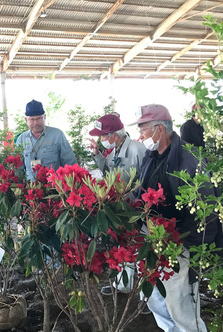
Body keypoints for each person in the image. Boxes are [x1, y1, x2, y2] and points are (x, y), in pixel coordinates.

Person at [132, 104, 223, 332]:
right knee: (155, 297)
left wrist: (191, 247)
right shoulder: (151, 155)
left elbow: (206, 208)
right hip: (152, 238)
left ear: (159, 130)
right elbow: (142, 190)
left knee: (181, 305)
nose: (140, 136)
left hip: (179, 243)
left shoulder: (189, 159)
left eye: (143, 130)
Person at [88, 113, 146, 298]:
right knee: (123, 246)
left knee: (141, 248)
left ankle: (146, 296)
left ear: (114, 135)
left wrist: (139, 202)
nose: (102, 139)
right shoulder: (114, 151)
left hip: (138, 209)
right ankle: (124, 285)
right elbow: (108, 172)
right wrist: (97, 154)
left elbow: (147, 178)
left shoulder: (137, 149)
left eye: (103, 136)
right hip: (121, 209)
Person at [16, 99, 77, 180]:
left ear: (44, 117)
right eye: (32, 119)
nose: (36, 123)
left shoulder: (57, 135)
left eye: (39, 118)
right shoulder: (22, 139)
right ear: (26, 120)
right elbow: (18, 168)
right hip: (31, 187)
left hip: (55, 187)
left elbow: (70, 162)